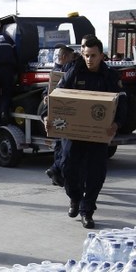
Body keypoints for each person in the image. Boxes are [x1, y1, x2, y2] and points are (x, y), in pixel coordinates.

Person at [57, 36, 127, 229]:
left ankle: (87, 211)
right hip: (74, 132)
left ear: (101, 55)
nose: (89, 59)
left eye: (93, 56)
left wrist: (117, 124)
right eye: (86, 55)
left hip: (98, 133)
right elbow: (57, 96)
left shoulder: (110, 76)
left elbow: (122, 103)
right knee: (68, 168)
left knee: (96, 173)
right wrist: (47, 116)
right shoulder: (73, 72)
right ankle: (75, 198)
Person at [44, 43, 80, 187]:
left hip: (57, 112)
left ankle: (56, 175)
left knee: (59, 145)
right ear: (65, 56)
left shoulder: (55, 71)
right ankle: (56, 171)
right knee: (64, 147)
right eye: (72, 57)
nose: (73, 59)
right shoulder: (64, 70)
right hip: (63, 112)